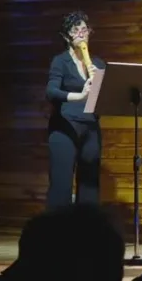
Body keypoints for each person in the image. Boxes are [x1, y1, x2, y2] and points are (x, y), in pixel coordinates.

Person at [45, 11, 106, 210]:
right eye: (75, 30)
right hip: (65, 127)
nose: (81, 34)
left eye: (84, 29)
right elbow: (51, 91)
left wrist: (100, 82)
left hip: (90, 127)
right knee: (61, 184)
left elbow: (104, 98)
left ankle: (86, 226)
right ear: (66, 37)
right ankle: (56, 226)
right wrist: (80, 96)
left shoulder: (97, 63)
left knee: (90, 184)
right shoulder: (60, 61)